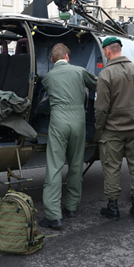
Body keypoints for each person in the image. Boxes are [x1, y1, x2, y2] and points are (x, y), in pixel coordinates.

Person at [39, 43, 97, 229]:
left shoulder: (47, 77)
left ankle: (54, 215)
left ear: (52, 60)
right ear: (67, 57)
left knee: (55, 167)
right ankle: (71, 206)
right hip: (79, 121)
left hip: (58, 122)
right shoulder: (79, 72)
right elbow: (97, 84)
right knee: (76, 164)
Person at [95, 36, 134, 221]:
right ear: (120, 49)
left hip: (113, 130)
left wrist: (100, 126)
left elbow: (101, 107)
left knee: (112, 167)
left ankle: (113, 207)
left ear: (107, 51)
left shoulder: (106, 74)